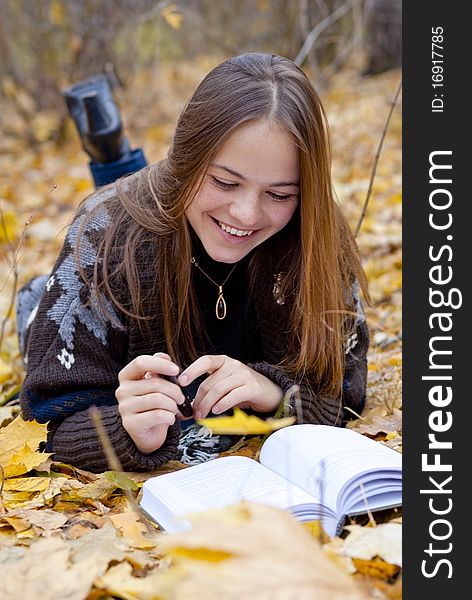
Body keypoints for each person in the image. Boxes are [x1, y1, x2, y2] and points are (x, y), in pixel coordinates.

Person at [17, 52, 370, 473]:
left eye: (279, 194)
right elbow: (47, 421)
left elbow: (347, 391)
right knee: (49, 303)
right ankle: (38, 293)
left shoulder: (318, 235)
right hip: (118, 266)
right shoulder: (103, 236)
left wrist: (274, 394)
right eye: (225, 182)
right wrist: (123, 428)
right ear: (186, 157)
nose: (246, 214)